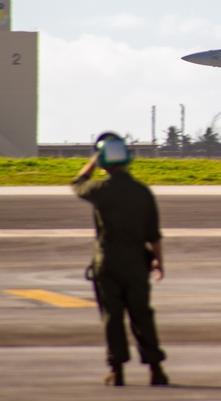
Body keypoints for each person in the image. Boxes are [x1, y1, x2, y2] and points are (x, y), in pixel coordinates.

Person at [71, 133, 169, 387]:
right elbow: (154, 234)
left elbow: (78, 183)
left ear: (103, 160)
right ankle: (156, 369)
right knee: (142, 316)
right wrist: (159, 263)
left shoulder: (100, 190)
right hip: (137, 263)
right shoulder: (143, 192)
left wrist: (93, 162)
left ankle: (117, 371)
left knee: (112, 317)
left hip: (108, 263)